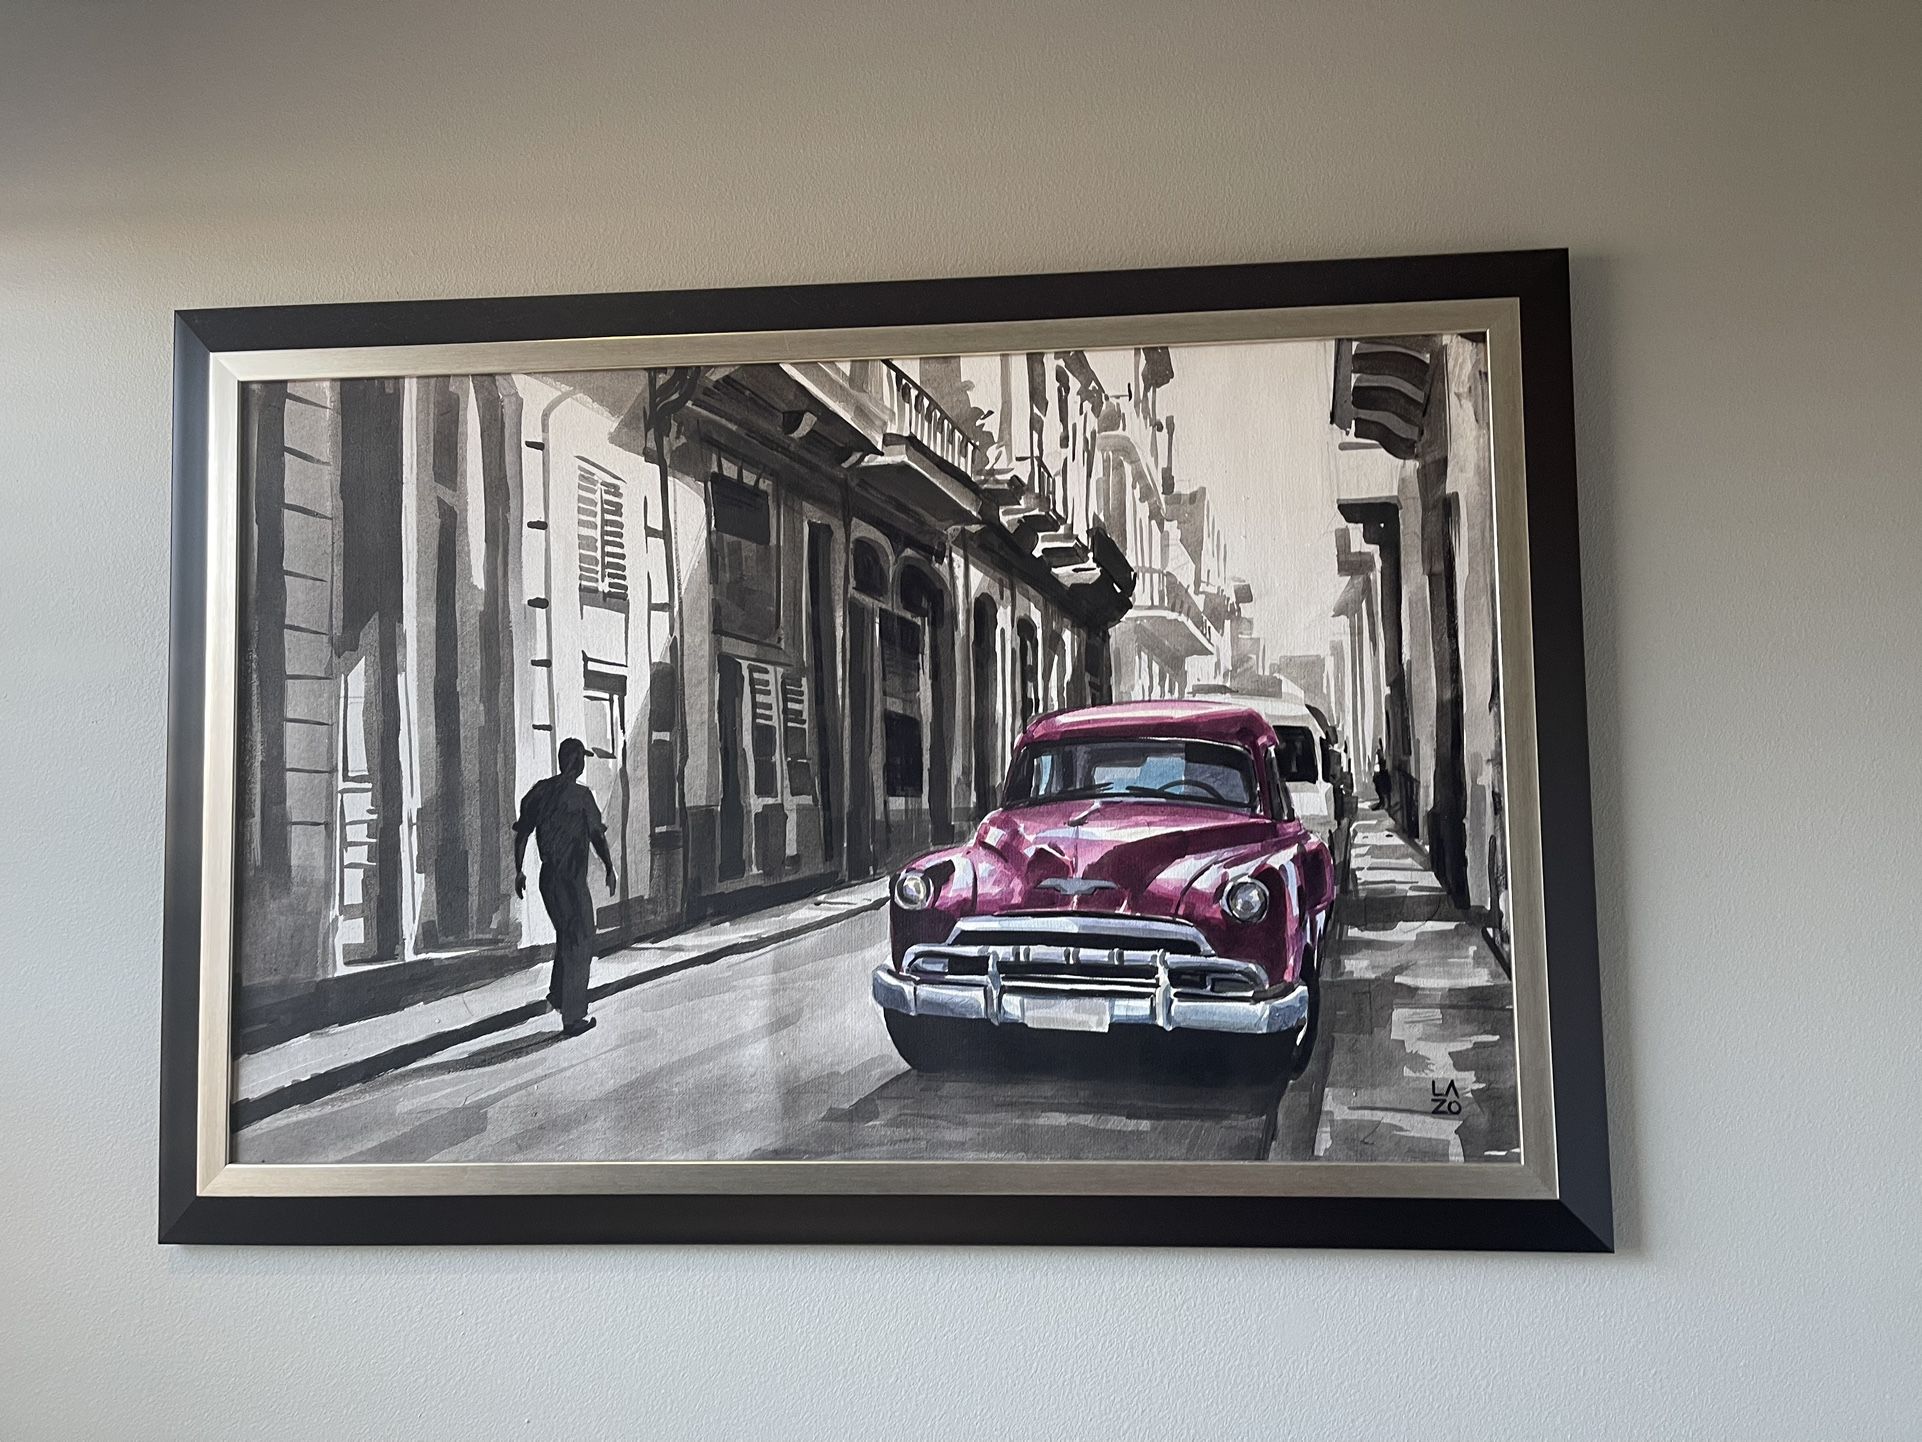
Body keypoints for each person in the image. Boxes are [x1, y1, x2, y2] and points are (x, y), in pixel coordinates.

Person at [513, 738, 616, 1037]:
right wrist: (609, 867)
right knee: (580, 938)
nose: (583, 763)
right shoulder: (582, 796)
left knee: (567, 934)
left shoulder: (540, 792)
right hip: (570, 880)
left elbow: (522, 833)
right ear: (574, 761)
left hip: (549, 881)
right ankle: (572, 1017)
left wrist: (518, 870)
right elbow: (597, 836)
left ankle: (558, 995)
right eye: (581, 758)